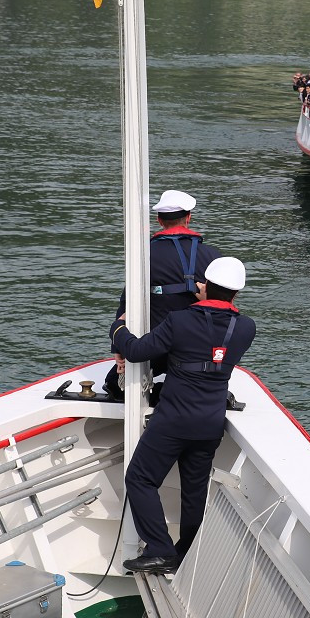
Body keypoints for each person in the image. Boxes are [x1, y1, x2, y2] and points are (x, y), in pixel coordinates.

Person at [114, 257, 257, 575]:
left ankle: (161, 550)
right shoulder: (246, 328)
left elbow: (137, 351)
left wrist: (118, 330)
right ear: (237, 293)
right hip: (210, 423)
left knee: (140, 478)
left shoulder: (180, 320)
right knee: (195, 491)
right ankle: (187, 553)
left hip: (174, 419)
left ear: (204, 285)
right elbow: (213, 346)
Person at [103, 190, 222, 399]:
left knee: (113, 384)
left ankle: (156, 396)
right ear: (189, 218)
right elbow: (222, 305)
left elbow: (126, 303)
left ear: (159, 220)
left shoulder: (143, 255)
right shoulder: (213, 256)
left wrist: (118, 345)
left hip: (154, 347)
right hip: (195, 350)